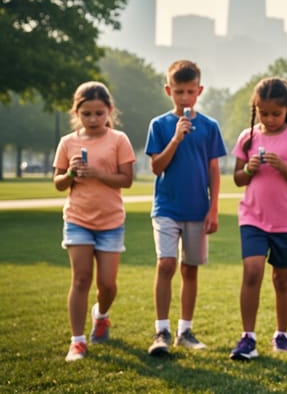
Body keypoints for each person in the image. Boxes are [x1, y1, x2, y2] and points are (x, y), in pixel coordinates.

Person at [145, 60, 227, 356]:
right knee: (166, 264)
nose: (184, 98)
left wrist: (214, 208)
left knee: (189, 270)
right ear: (169, 90)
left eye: (190, 91)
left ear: (199, 91)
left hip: (197, 209)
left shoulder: (209, 127)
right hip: (166, 207)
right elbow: (156, 167)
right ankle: (161, 331)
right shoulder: (159, 125)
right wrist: (176, 138)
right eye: (178, 92)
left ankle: (184, 331)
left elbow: (214, 170)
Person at [228, 77, 287, 360]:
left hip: (286, 221)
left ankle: (281, 333)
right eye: (264, 113)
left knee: (282, 280)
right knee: (252, 272)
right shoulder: (248, 137)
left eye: (275, 113)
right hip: (252, 217)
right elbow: (238, 178)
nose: (270, 118)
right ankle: (248, 336)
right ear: (256, 109)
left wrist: (283, 167)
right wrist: (249, 169)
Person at [53, 81, 136, 361]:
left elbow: (127, 180)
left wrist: (97, 174)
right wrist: (71, 176)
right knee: (81, 279)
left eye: (99, 113)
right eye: (86, 114)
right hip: (77, 219)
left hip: (111, 222)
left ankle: (101, 315)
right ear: (76, 112)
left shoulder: (119, 140)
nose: (93, 119)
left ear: (109, 111)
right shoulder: (67, 142)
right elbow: (58, 184)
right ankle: (77, 341)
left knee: (108, 285)